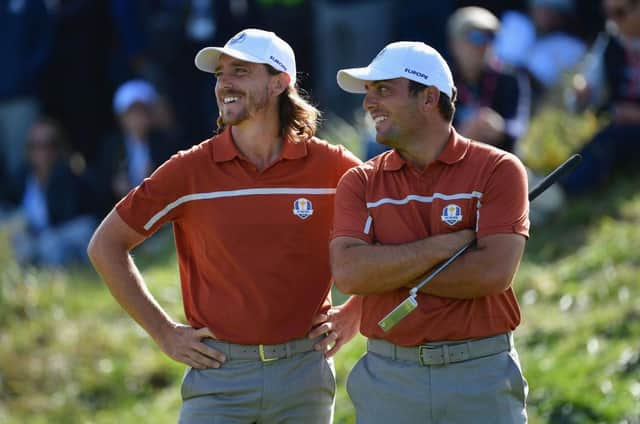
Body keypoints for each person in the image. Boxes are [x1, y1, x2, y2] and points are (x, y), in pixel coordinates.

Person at [87, 28, 362, 423]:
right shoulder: (190, 170)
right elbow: (106, 246)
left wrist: (358, 311)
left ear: (279, 82)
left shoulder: (332, 166)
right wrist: (164, 331)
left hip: (305, 374)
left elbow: (394, 227)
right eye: (220, 73)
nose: (224, 84)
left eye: (239, 71)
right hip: (218, 376)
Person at [331, 41, 530, 422]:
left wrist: (385, 271)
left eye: (383, 90)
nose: (368, 103)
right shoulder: (358, 182)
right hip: (390, 376)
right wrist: (442, 247)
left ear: (429, 98)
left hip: (480, 373)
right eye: (368, 92)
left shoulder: (499, 169)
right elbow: (350, 274)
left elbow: (492, 274)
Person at [562, 0, 640, 195]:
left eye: (620, 13)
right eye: (609, 14)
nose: (613, 21)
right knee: (595, 149)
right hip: (621, 130)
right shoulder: (609, 43)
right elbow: (579, 102)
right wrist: (581, 94)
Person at [1, 117, 96, 267]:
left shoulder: (70, 176)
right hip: (31, 240)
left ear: (58, 148)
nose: (40, 151)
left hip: (64, 235)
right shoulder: (22, 176)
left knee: (49, 243)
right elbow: (9, 207)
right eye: (34, 146)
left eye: (47, 145)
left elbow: (67, 218)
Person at [448, 6, 531, 154]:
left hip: (498, 160)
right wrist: (459, 135)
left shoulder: (510, 78)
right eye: (475, 37)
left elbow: (520, 126)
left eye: (490, 37)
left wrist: (500, 128)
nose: (484, 45)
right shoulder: (441, 81)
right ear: (455, 44)